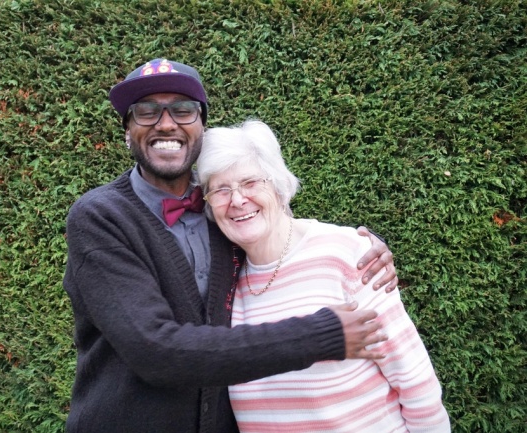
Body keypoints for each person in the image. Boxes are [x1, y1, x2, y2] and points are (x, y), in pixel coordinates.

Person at [62, 58, 399, 433]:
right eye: (146, 111)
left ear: (202, 127)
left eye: (183, 110)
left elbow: (281, 231)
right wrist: (320, 335)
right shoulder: (100, 217)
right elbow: (156, 352)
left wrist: (359, 245)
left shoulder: (222, 207)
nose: (166, 123)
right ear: (128, 130)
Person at [196, 119, 450, 433]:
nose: (236, 200)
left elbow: (413, 379)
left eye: (250, 183)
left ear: (279, 186)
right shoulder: (224, 278)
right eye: (220, 190)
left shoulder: (346, 254)